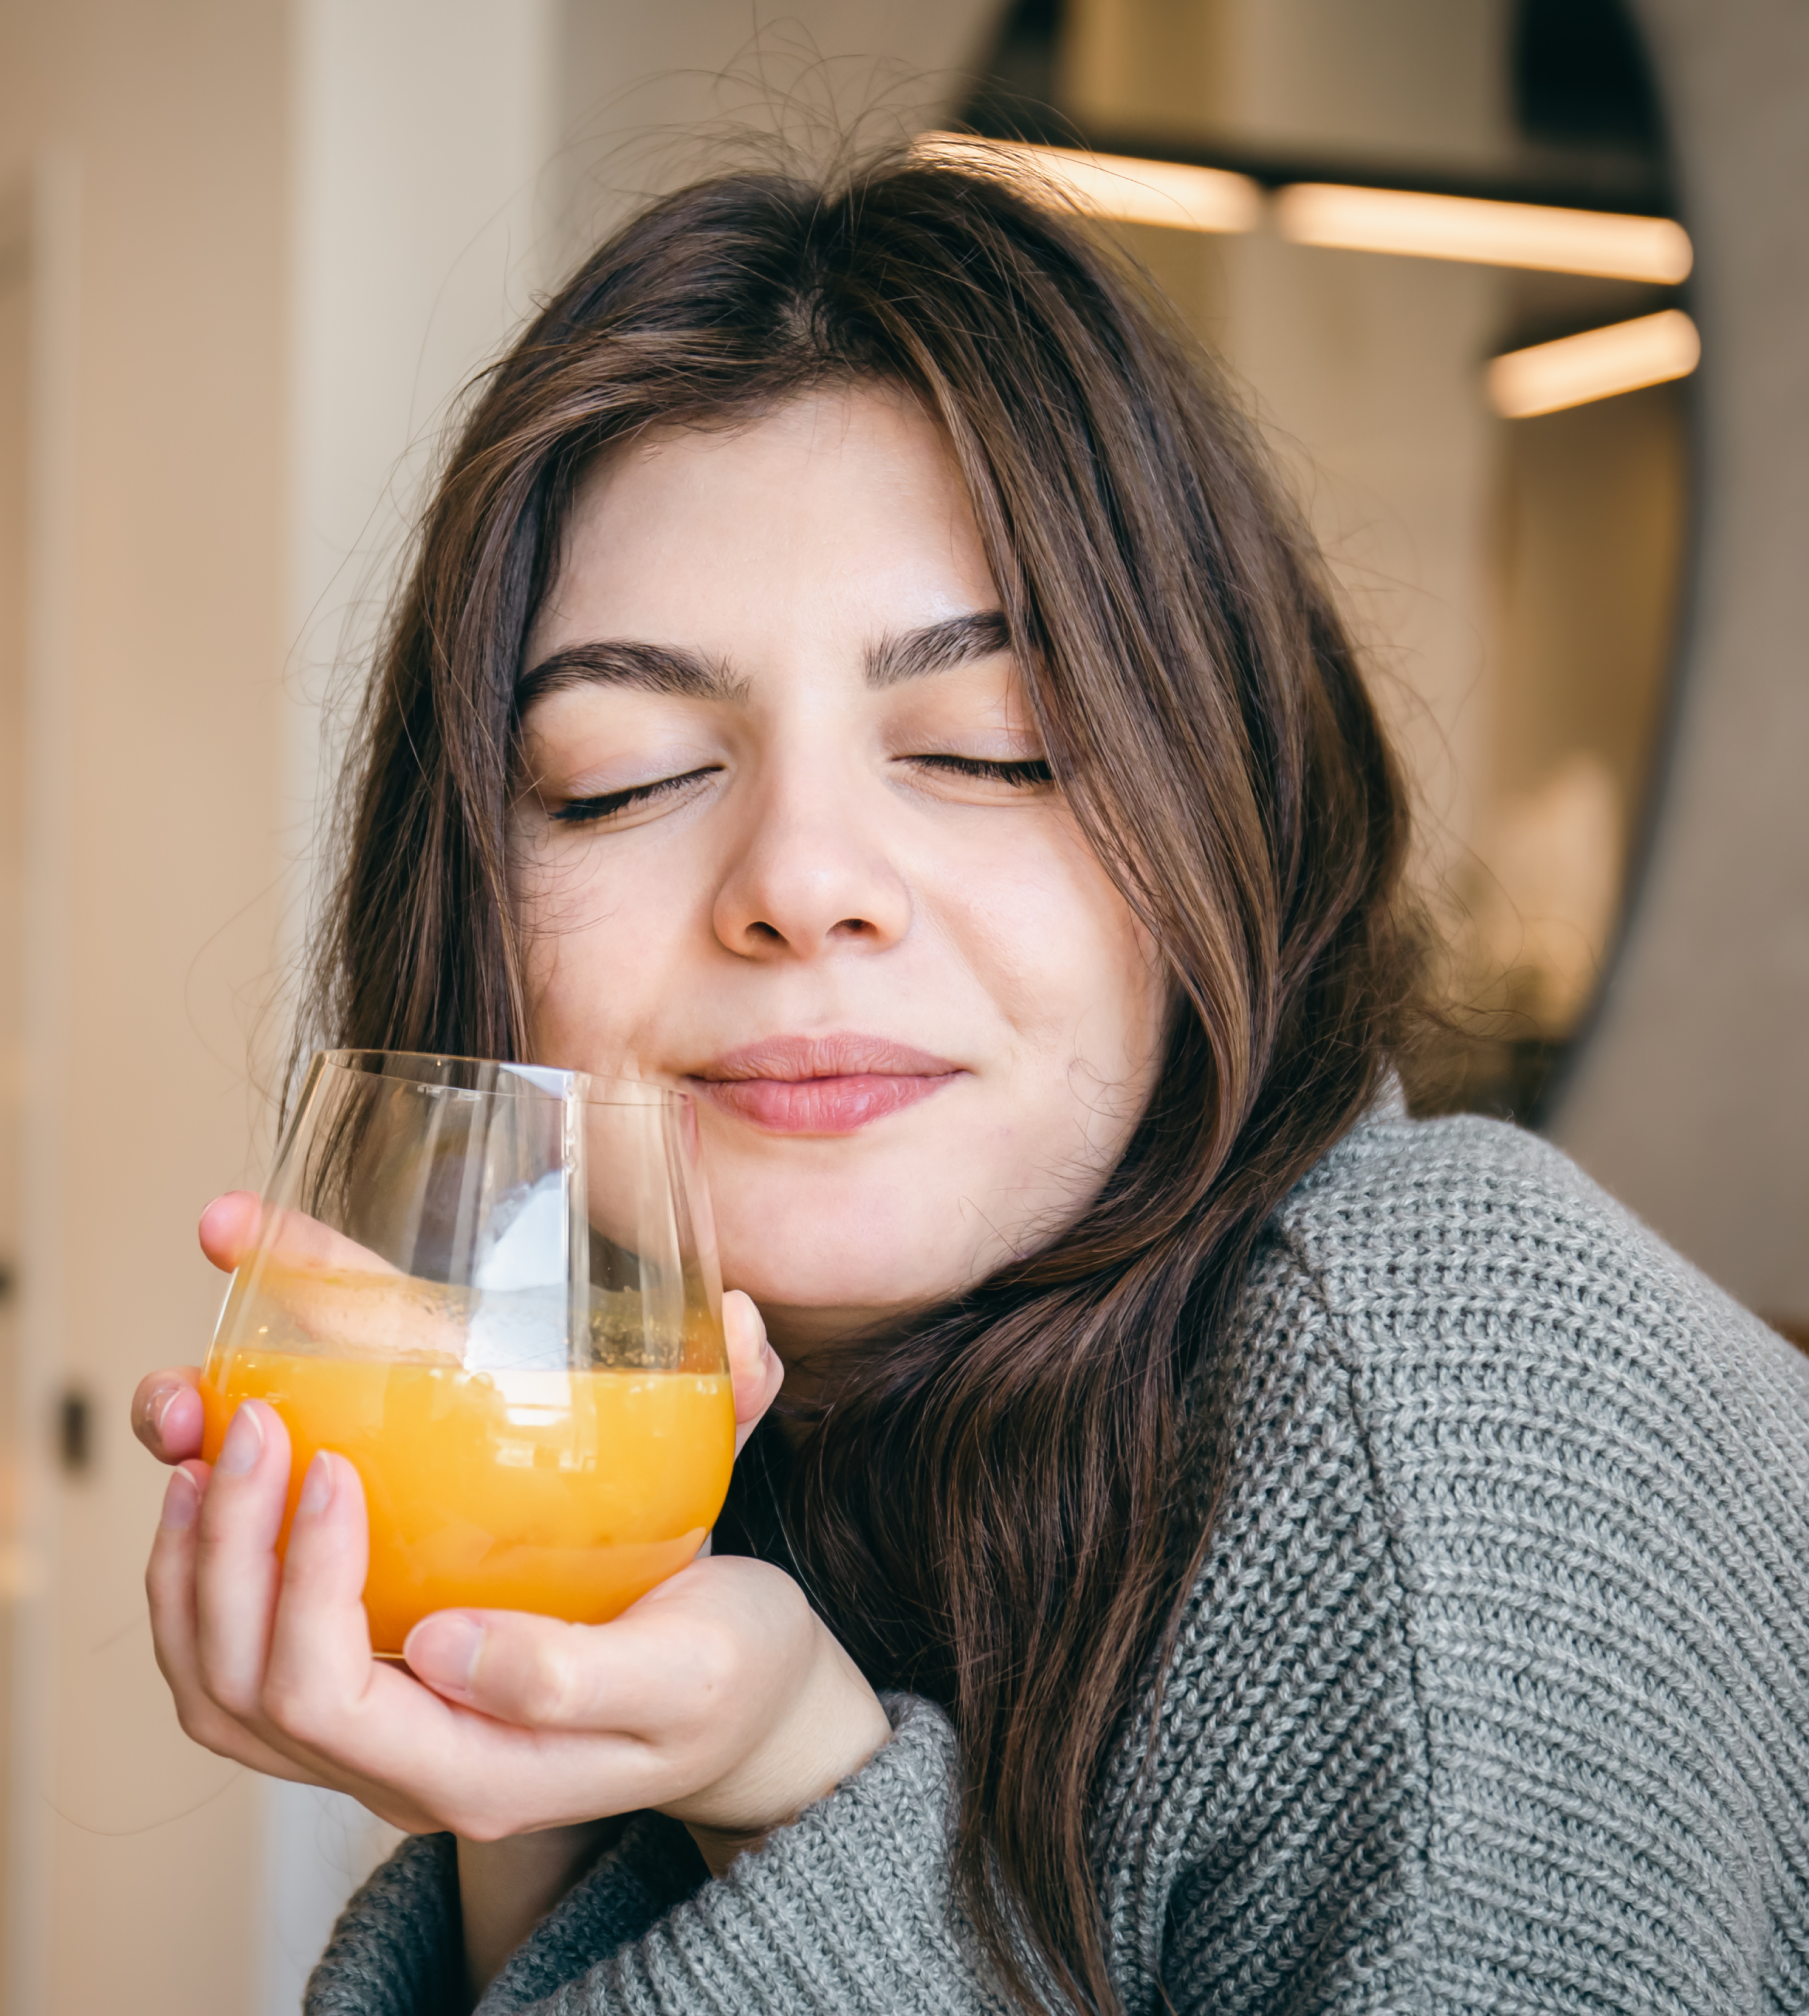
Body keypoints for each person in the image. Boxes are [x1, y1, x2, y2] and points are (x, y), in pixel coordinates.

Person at [132, 148, 1809, 2016]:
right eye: (621, 776)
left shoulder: (1468, 1421)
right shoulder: (728, 1433)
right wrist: (541, 1781)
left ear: (1226, 806)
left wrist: (797, 1801)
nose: (803, 884)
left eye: (991, 747)